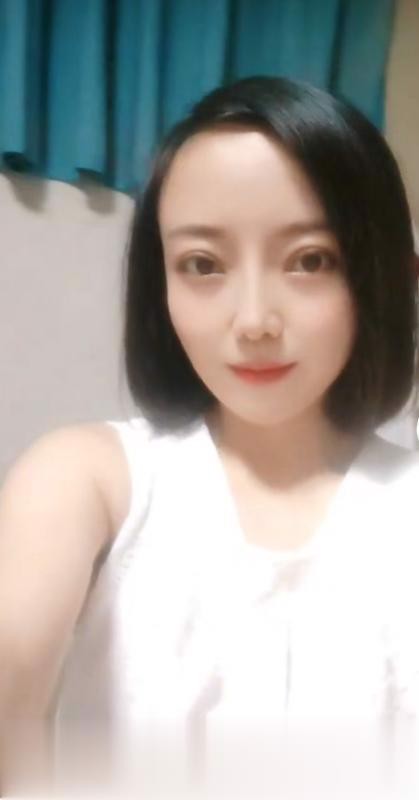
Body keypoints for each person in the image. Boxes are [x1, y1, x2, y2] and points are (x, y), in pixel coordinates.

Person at [0, 75, 418, 797]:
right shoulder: (90, 478)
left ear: (376, 273)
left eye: (310, 260)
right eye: (202, 265)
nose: (253, 320)